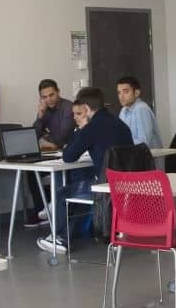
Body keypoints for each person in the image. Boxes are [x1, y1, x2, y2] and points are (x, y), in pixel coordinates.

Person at [37, 87, 132, 254]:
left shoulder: (91, 127)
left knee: (61, 193)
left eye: (79, 112)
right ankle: (71, 234)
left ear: (86, 109)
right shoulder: (120, 124)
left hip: (106, 187)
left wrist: (80, 131)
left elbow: (68, 156)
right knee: (81, 187)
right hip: (127, 185)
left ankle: (60, 238)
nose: (75, 117)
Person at [25, 79, 75, 228]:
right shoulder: (44, 109)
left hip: (69, 154)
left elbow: (62, 136)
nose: (48, 99)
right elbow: (34, 135)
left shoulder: (68, 108)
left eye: (51, 95)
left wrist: (47, 140)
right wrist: (40, 116)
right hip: (52, 154)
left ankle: (51, 210)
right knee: (31, 171)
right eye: (44, 97)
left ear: (58, 92)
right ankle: (43, 210)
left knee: (50, 173)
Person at [117, 76, 162, 148]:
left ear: (136, 93)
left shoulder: (141, 109)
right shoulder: (123, 110)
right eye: (119, 93)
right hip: (133, 152)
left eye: (126, 92)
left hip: (149, 154)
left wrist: (122, 143)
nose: (121, 96)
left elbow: (144, 142)